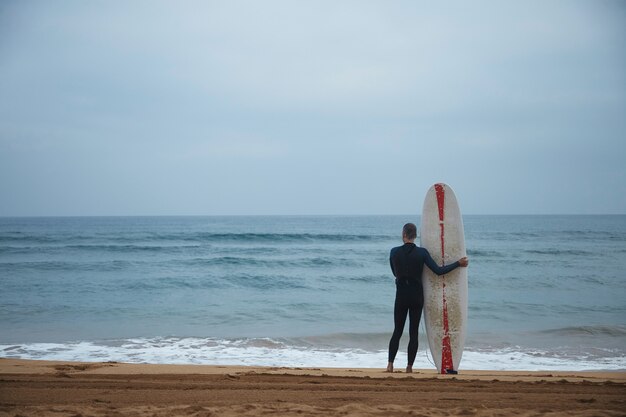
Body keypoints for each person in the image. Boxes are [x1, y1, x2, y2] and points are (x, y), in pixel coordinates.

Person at [386, 223, 468, 373]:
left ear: (403, 234)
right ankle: (409, 367)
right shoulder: (422, 253)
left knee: (397, 331)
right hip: (416, 297)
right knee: (413, 332)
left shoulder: (393, 252)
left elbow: (394, 272)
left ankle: (390, 365)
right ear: (415, 235)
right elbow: (438, 271)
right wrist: (458, 263)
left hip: (401, 296)